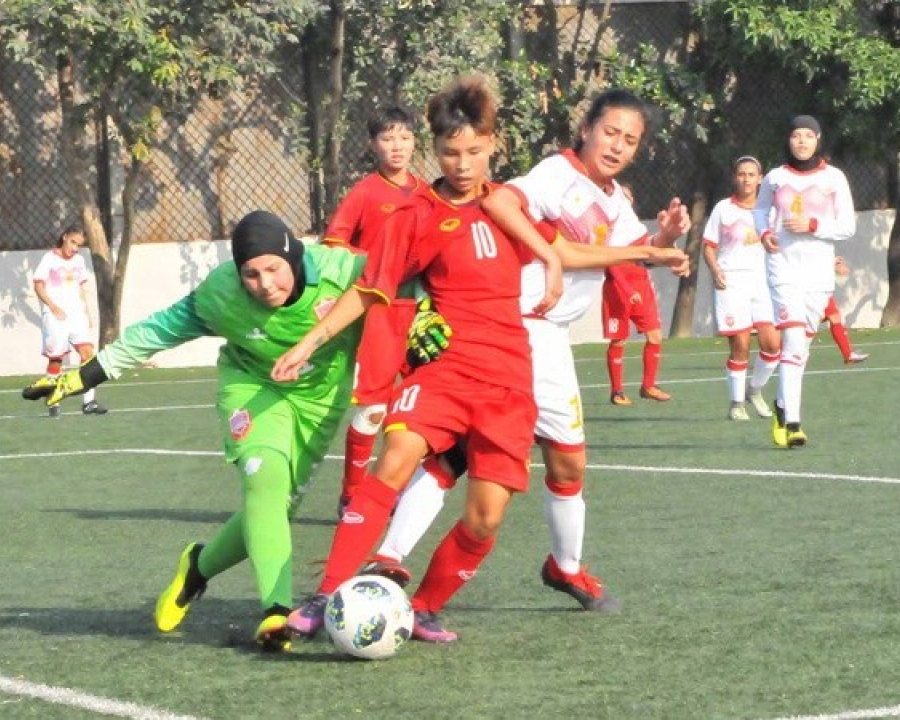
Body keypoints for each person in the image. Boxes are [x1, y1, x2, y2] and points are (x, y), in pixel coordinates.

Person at [365, 88, 692, 613]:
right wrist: (561, 252)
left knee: (564, 463)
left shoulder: (613, 200)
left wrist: (663, 237)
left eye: (630, 140)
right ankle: (390, 556)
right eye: (610, 132)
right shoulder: (555, 176)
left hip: (549, 340)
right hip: (512, 326)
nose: (617, 145)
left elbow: (624, 251)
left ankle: (561, 567)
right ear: (585, 129)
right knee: (459, 455)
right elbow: (500, 200)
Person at [272, 75, 564, 643]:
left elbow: (563, 248)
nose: (462, 163)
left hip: (508, 380)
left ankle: (423, 607)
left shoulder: (511, 204)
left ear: (493, 144)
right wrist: (307, 343)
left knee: (486, 517)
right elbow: (371, 289)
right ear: (434, 150)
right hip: (446, 372)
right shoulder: (415, 215)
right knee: (396, 457)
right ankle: (328, 590)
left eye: (474, 151)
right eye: (450, 152)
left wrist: (645, 250)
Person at [23, 211, 367, 653]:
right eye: (251, 274)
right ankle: (277, 613)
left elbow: (413, 281)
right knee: (265, 475)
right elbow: (158, 331)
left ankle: (197, 568)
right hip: (252, 388)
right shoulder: (221, 294)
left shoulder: (343, 271)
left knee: (273, 510)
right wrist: (84, 376)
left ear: (295, 257)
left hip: (320, 402)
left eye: (274, 269)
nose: (264, 284)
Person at [321, 104, 426, 516]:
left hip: (424, 312)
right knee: (375, 409)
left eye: (403, 137)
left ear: (415, 141)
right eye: (387, 138)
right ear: (372, 144)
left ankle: (394, 489)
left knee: (419, 406)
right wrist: (372, 264)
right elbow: (333, 244)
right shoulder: (364, 193)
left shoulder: (428, 192)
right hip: (379, 311)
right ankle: (352, 491)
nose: (396, 146)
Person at [754, 115, 857, 448]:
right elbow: (759, 211)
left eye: (807, 136)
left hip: (818, 272)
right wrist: (766, 232)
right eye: (795, 135)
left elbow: (847, 227)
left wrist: (813, 225)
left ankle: (782, 405)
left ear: (818, 139)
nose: (801, 141)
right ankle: (794, 424)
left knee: (801, 347)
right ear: (789, 140)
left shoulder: (833, 178)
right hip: (782, 268)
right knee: (794, 340)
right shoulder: (775, 177)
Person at [702, 156, 780, 421]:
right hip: (732, 283)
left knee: (773, 345)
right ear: (735, 177)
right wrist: (715, 271)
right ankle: (736, 404)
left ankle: (754, 390)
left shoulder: (770, 211)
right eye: (741, 174)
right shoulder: (723, 209)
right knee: (741, 344)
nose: (746, 179)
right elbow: (709, 246)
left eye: (751, 174)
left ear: (760, 179)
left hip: (763, 283)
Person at [601, 175, 684, 405]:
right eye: (619, 196)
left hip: (641, 284)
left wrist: (671, 251)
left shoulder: (633, 228)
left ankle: (648, 385)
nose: (622, 200)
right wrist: (627, 291)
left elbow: (651, 250)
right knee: (618, 340)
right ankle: (617, 391)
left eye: (626, 196)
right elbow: (612, 263)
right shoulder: (607, 229)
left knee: (655, 335)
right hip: (618, 288)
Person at [29, 226, 107, 417]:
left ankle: (89, 403)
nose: (75, 248)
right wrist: (53, 307)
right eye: (73, 242)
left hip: (76, 316)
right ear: (64, 237)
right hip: (55, 315)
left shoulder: (79, 260)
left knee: (88, 354)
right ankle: (52, 400)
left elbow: (80, 288)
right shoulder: (49, 259)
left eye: (79, 245)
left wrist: (86, 311)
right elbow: (38, 286)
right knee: (56, 358)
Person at [822, 256, 868, 364]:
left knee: (834, 317)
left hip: (821, 291)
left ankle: (848, 354)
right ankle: (787, 354)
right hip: (812, 292)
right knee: (806, 325)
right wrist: (831, 263)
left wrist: (833, 262)